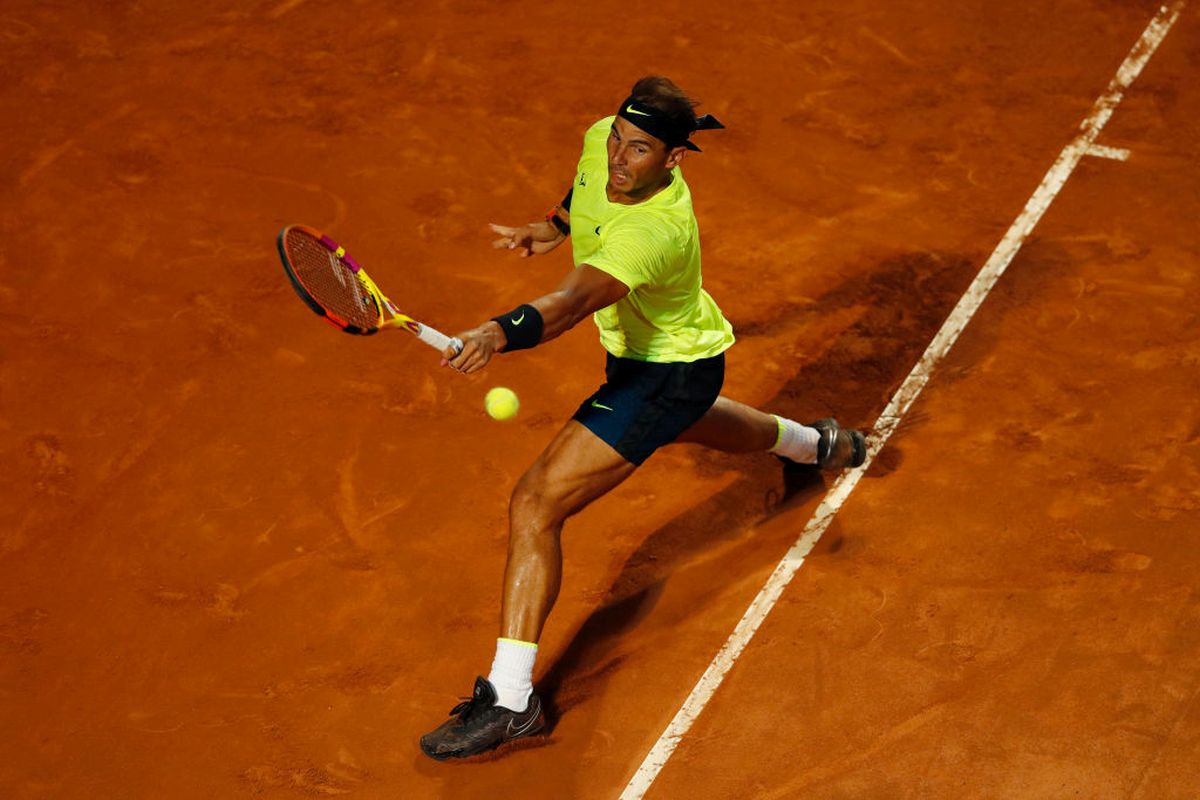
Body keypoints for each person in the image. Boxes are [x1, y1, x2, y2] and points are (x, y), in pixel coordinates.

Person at [419, 76, 866, 761]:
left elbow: (570, 302)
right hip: (661, 365)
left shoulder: (656, 231)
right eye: (619, 143)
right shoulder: (604, 139)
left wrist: (496, 332)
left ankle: (512, 702)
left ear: (674, 160)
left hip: (666, 372)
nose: (619, 161)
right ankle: (813, 445)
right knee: (688, 420)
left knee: (536, 502)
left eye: (639, 151)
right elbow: (585, 190)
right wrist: (558, 225)